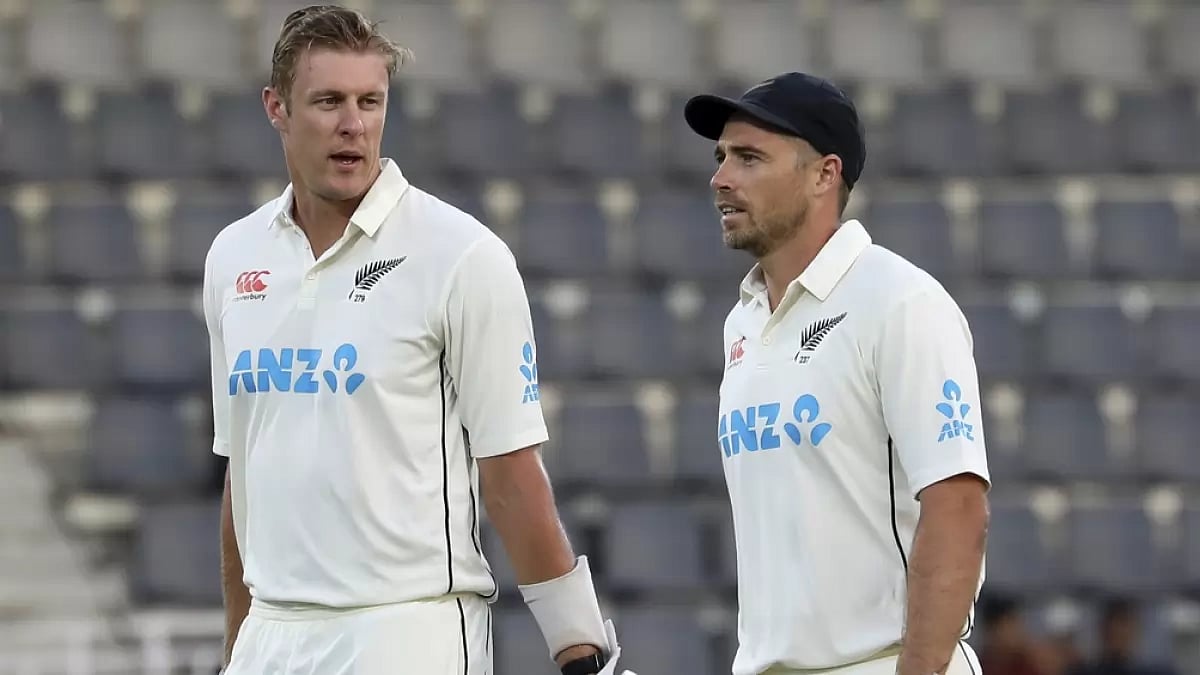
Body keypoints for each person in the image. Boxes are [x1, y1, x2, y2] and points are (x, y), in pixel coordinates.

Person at [204, 5, 631, 674]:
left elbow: (513, 477)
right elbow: (244, 473)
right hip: (273, 634)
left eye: (370, 101)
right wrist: (239, 646)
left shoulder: (461, 257)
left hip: (406, 631)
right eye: (328, 102)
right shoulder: (232, 258)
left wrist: (579, 650)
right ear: (276, 108)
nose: (353, 124)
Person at [683, 72, 992, 675]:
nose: (720, 178)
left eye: (748, 158)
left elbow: (958, 507)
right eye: (721, 157)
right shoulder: (741, 325)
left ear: (825, 174)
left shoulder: (900, 302)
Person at [1068, 598, 1178, 675]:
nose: (1120, 637)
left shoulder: (1157, 672)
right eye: (1114, 633)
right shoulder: (1083, 671)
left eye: (1124, 631)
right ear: (1103, 631)